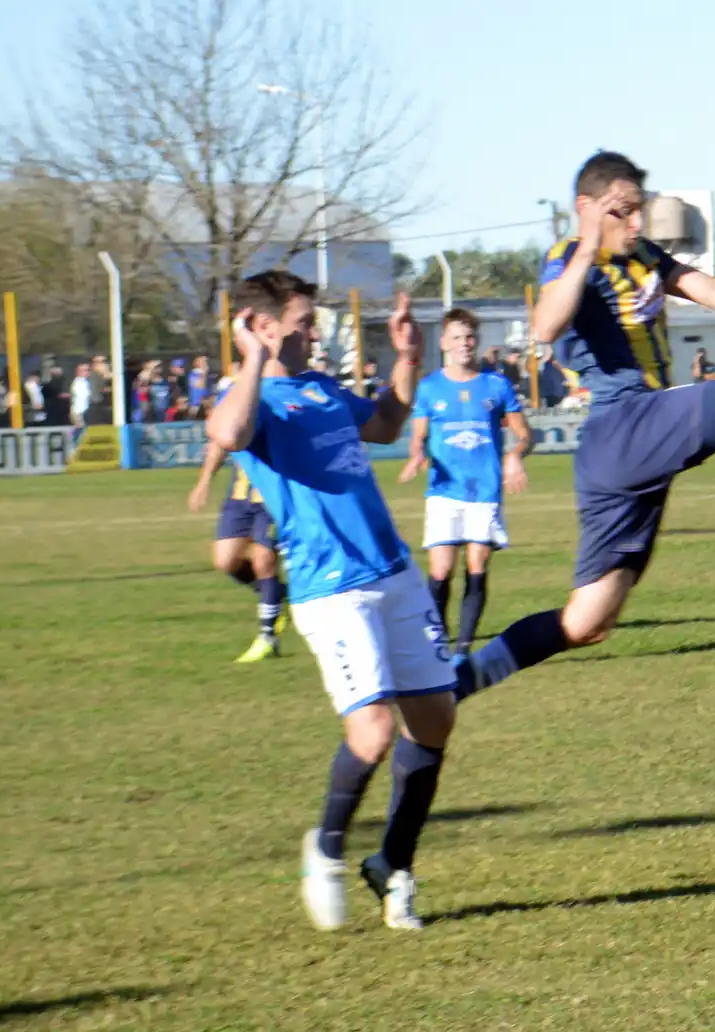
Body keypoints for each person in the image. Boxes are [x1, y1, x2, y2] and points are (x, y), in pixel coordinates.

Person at [458, 150, 715, 700]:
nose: (635, 224)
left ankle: (453, 683)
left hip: (622, 446)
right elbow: (545, 324)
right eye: (620, 212)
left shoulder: (645, 254)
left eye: (638, 211)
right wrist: (585, 242)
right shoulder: (567, 258)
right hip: (623, 421)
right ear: (586, 209)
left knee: (587, 623)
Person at [206, 271, 459, 932]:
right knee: (373, 731)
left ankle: (394, 865)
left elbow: (385, 422)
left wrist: (407, 360)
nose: (315, 333)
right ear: (262, 328)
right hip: (330, 589)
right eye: (302, 323)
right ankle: (324, 848)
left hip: (394, 570)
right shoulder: (247, 394)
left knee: (434, 723)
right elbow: (229, 436)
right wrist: (254, 359)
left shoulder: (319, 388)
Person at [399, 307, 533, 655]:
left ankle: (463, 648)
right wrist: (417, 453)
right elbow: (418, 436)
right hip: (444, 490)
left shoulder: (496, 385)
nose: (464, 344)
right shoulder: (429, 388)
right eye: (457, 337)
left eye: (470, 337)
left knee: (477, 565)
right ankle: (437, 644)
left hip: (484, 490)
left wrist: (515, 455)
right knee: (441, 569)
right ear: (444, 342)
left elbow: (525, 435)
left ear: (478, 341)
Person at [188, 440, 287, 662]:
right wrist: (203, 482)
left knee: (264, 561)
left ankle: (267, 637)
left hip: (273, 497)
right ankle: (276, 594)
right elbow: (219, 442)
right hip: (239, 497)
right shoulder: (238, 408)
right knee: (225, 561)